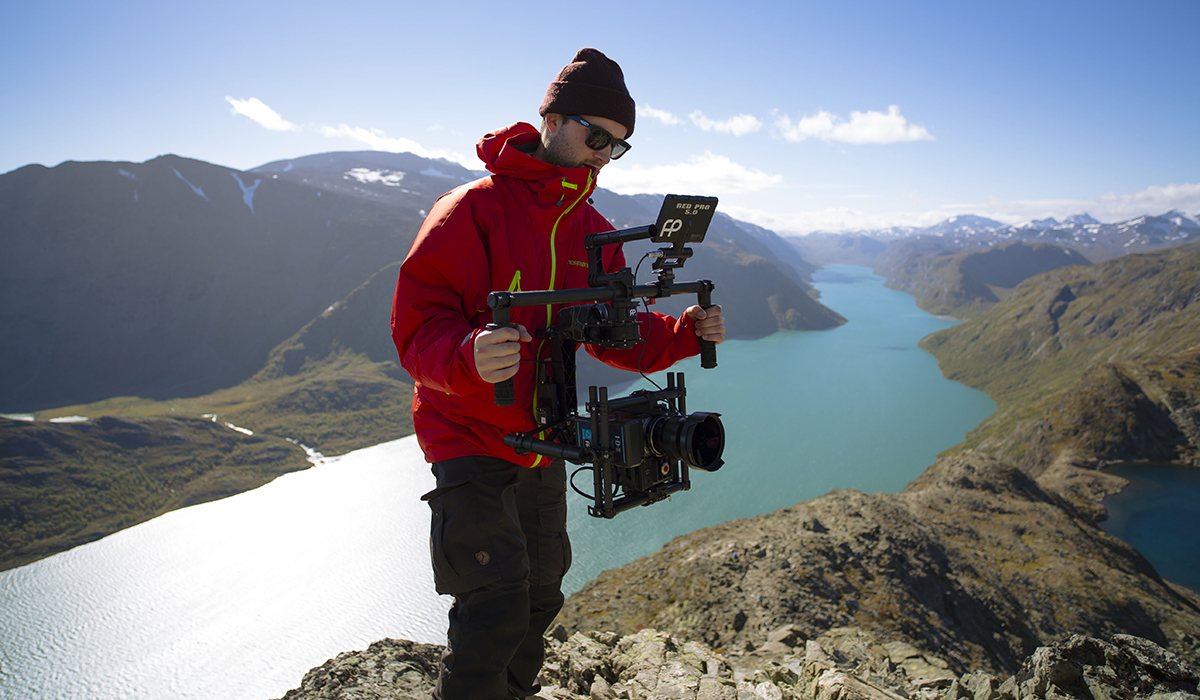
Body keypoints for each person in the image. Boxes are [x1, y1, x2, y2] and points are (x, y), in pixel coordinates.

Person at [390, 47, 726, 700]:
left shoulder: (590, 229)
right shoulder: (469, 211)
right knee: (493, 608)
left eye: (619, 146)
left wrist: (686, 333)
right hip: (468, 434)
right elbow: (414, 328)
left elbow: (615, 331)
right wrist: (468, 357)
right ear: (551, 119)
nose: (603, 155)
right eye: (595, 136)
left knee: (542, 596)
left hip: (544, 440)